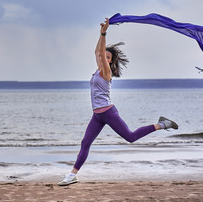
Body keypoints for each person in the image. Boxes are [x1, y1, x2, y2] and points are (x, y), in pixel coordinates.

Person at [57, 18, 178, 186]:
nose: (102, 57)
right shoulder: (97, 68)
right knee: (85, 143)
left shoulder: (106, 72)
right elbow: (96, 51)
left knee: (130, 137)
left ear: (110, 61)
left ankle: (163, 124)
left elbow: (99, 50)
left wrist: (104, 33)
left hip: (108, 113)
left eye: (107, 57)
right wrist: (101, 35)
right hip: (97, 116)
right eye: (102, 55)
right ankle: (72, 175)